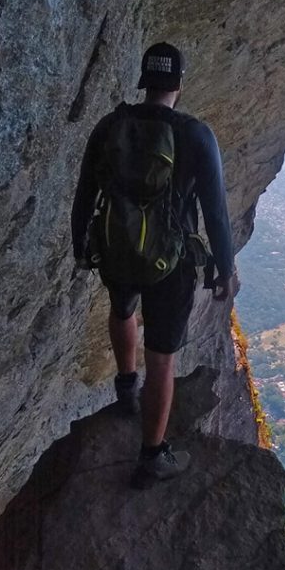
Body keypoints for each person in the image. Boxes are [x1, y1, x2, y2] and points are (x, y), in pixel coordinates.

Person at [71, 42, 236, 481]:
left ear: (144, 82)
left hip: (118, 248)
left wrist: (80, 244)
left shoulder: (110, 126)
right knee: (162, 357)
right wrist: (226, 268)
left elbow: (85, 191)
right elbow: (216, 211)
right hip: (173, 259)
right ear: (180, 84)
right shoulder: (195, 134)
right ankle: (152, 456)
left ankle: (127, 387)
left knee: (122, 308)